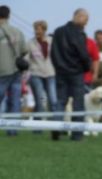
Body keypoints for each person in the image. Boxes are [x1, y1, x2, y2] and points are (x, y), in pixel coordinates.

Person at [51, 8, 91, 141]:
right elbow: (83, 54)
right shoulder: (78, 33)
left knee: (60, 102)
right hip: (76, 72)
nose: (86, 23)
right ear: (79, 16)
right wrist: (87, 67)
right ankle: (77, 134)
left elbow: (53, 54)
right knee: (78, 104)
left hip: (60, 72)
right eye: (86, 20)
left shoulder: (58, 31)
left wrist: (58, 67)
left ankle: (56, 129)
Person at [0, 5, 27, 136]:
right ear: (9, 16)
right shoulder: (18, 31)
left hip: (2, 71)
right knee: (15, 100)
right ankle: (13, 130)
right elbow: (24, 50)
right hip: (16, 71)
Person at [27, 20, 58, 132]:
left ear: (44, 30)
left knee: (53, 101)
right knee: (40, 101)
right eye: (35, 29)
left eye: (39, 29)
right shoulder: (30, 43)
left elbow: (56, 57)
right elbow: (26, 59)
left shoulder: (52, 41)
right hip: (36, 75)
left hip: (51, 74)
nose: (37, 31)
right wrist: (26, 74)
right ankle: (37, 128)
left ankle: (56, 127)